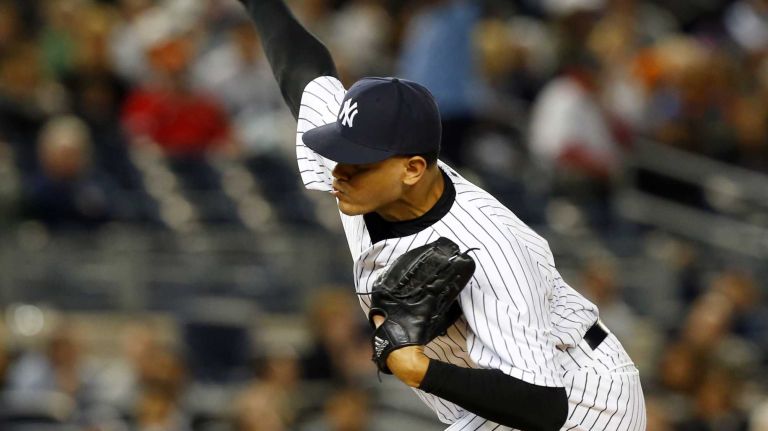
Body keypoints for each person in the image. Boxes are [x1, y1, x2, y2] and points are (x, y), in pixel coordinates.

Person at [236, 0, 646, 429]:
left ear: (412, 168)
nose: (338, 171)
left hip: (582, 400)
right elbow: (305, 71)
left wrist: (418, 369)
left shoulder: (490, 248)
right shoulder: (375, 172)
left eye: (356, 162)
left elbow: (544, 406)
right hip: (499, 390)